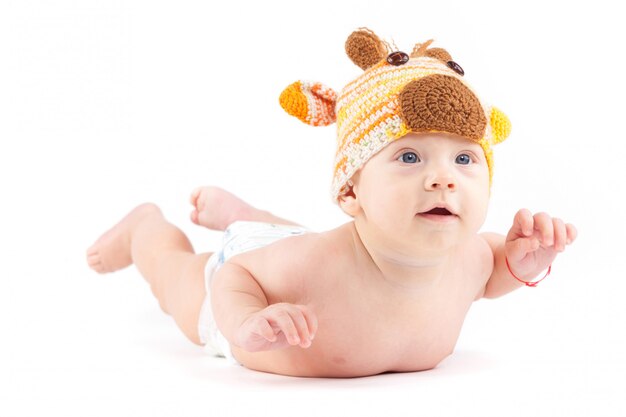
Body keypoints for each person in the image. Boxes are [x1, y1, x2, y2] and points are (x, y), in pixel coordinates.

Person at [86, 29, 577, 378]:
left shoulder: (474, 257)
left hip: (292, 247)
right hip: (247, 282)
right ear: (349, 192)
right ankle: (144, 228)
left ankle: (247, 214)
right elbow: (243, 275)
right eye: (409, 156)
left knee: (294, 236)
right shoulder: (314, 265)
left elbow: (491, 276)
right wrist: (243, 322)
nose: (443, 179)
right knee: (173, 273)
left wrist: (520, 265)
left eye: (466, 159)